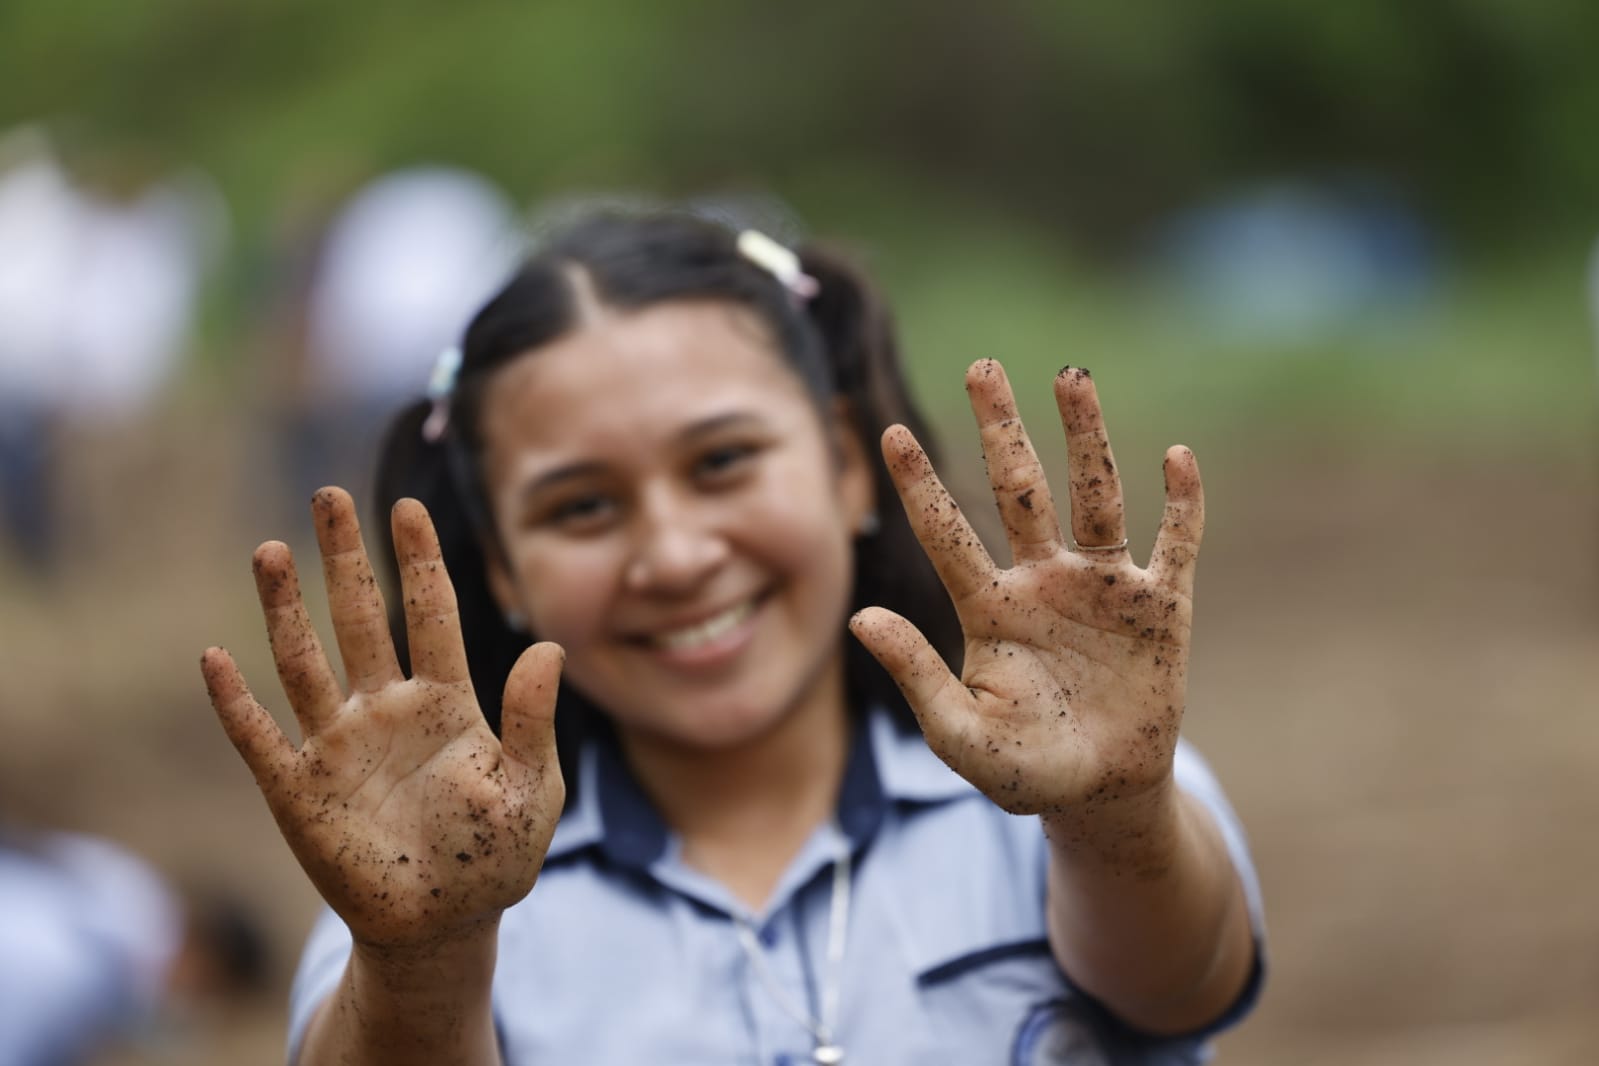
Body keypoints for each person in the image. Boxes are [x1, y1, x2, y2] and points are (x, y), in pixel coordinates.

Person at [201, 212, 1265, 1065]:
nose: (671, 553)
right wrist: (425, 956)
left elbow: (1182, 980)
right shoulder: (429, 899)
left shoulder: (1070, 785)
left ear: (847, 461)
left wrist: (1118, 818)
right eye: (580, 508)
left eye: (722, 463)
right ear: (504, 569)